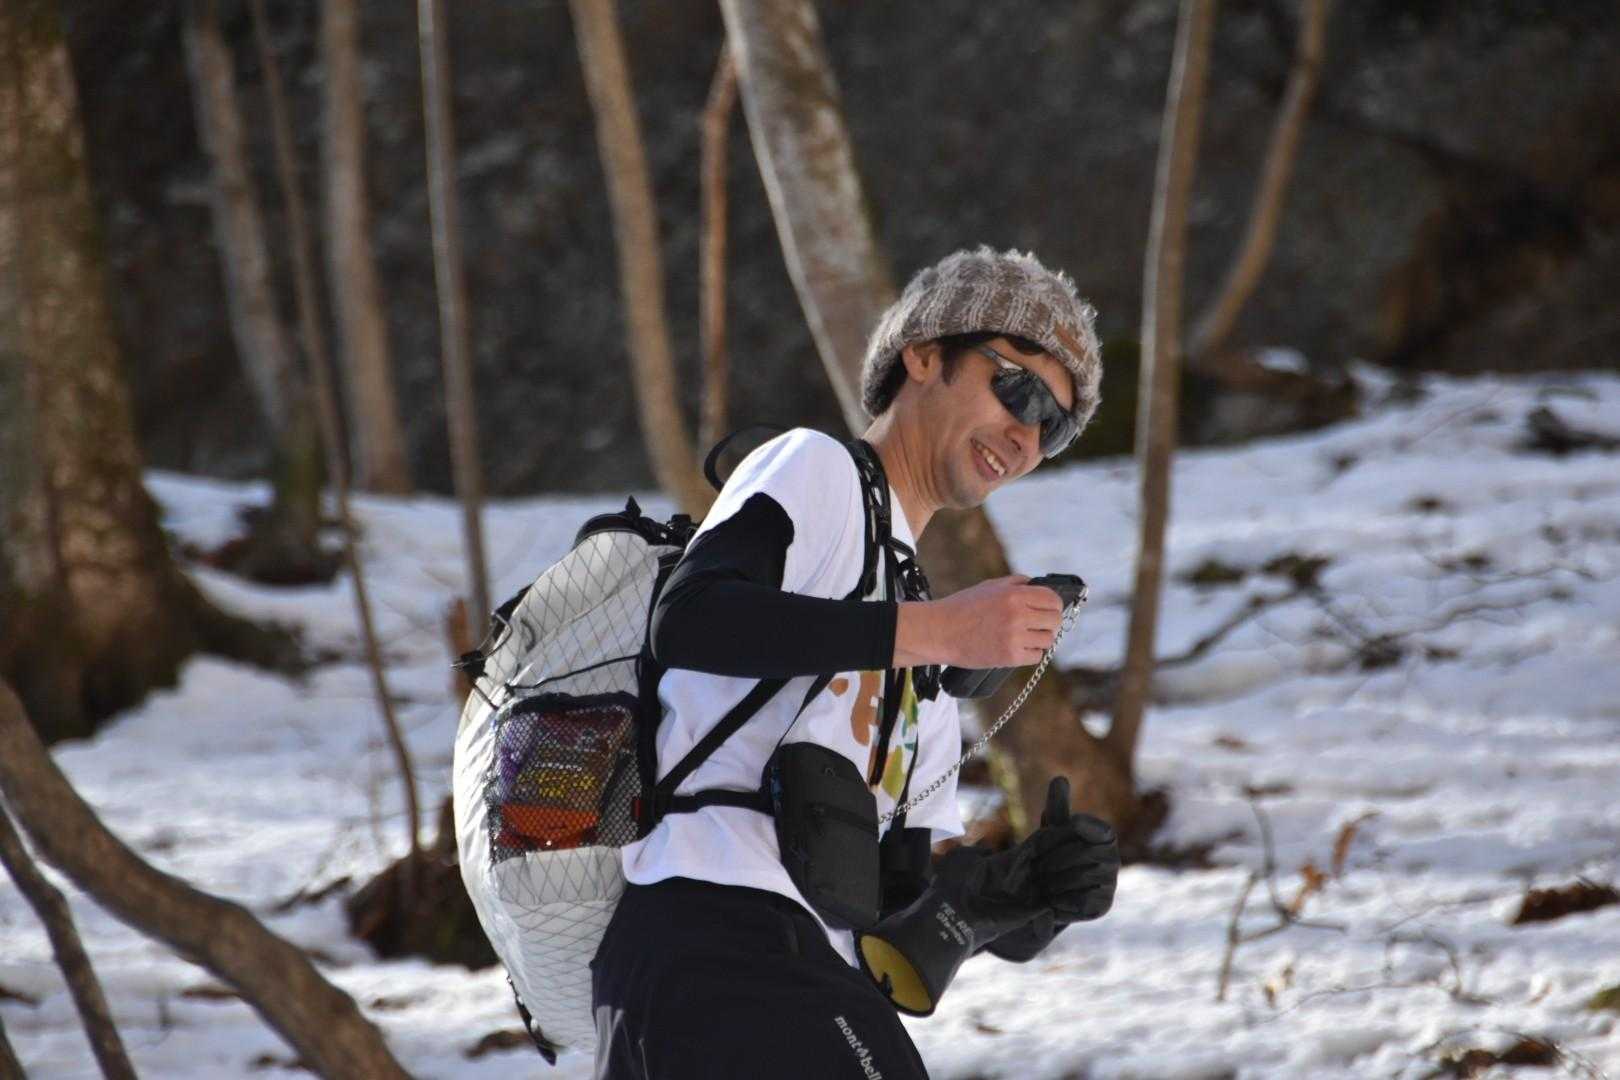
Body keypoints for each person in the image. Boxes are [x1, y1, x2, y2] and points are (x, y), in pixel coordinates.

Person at [591, 246, 1121, 1079]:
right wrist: (937, 633)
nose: (1025, 436)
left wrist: (1015, 898)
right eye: (1017, 390)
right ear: (924, 355)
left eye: (1052, 429)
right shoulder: (818, 471)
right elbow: (690, 619)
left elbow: (888, 905)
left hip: (765, 966)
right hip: (712, 932)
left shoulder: (921, 646)